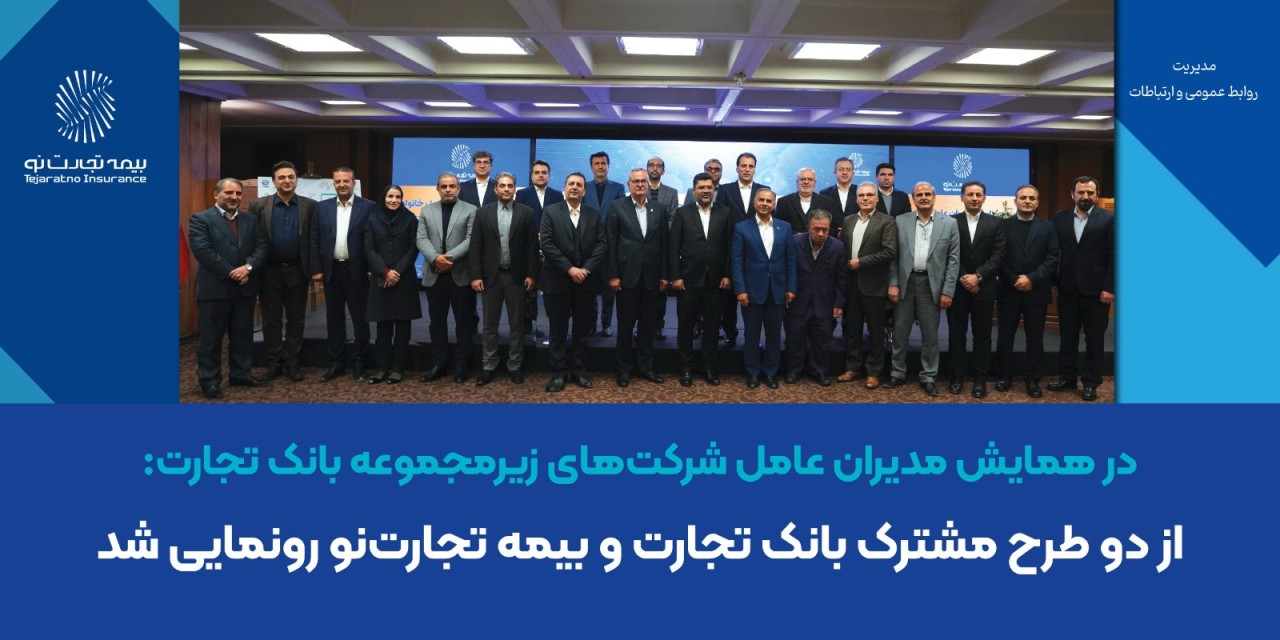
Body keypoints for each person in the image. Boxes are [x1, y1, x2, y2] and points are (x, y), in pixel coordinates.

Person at [188, 178, 269, 398]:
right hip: (214, 290)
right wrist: (233, 272)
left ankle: (241, 375)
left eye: (238, 194)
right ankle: (210, 381)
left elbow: (262, 247)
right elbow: (203, 251)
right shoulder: (200, 219)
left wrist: (248, 268)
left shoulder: (250, 220)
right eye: (229, 193)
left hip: (245, 288)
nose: (234, 197)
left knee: (243, 336)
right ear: (216, 194)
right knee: (211, 340)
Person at [886, 182, 960, 396]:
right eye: (919, 194)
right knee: (900, 333)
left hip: (931, 285)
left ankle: (928, 376)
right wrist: (893, 283)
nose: (924, 197)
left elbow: (953, 260)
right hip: (905, 283)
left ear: (934, 197)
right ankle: (897, 373)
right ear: (913, 199)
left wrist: (948, 290)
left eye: (928, 194)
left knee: (930, 336)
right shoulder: (900, 221)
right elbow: (893, 256)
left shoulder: (949, 223)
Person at [1047, 176, 1114, 401]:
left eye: (1090, 192)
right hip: (1067, 288)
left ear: (1097, 195)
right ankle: (1067, 377)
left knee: (1094, 339)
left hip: (1097, 291)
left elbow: (1115, 255)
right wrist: (1054, 282)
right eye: (1081, 192)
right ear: (1072, 194)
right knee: (1067, 337)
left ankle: (1091, 382)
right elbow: (1054, 252)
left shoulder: (1109, 218)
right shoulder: (1060, 217)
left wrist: (1109, 288)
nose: (1085, 196)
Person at [469, 172, 540, 385]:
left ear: (515, 189)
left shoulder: (526, 213)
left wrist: (532, 275)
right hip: (491, 278)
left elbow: (532, 247)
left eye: (510, 185)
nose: (506, 189)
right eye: (502, 185)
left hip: (517, 278)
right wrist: (475, 275)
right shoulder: (483, 213)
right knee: (489, 326)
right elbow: (476, 246)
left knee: (517, 325)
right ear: (495, 189)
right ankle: (489, 365)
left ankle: (514, 365)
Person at [248, 160, 316, 382]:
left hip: (298, 270)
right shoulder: (258, 205)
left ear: (296, 180)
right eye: (282, 177)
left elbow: (314, 240)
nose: (287, 181)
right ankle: (274, 363)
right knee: (271, 319)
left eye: (291, 177)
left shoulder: (310, 206)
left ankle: (292, 362)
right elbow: (251, 239)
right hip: (269, 271)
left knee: (296, 319)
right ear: (273, 181)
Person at [539, 172, 607, 392]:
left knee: (582, 330)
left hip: (585, 282)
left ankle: (579, 370)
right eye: (571, 184)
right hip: (557, 280)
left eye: (579, 184)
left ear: (584, 191)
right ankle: (558, 374)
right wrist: (570, 269)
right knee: (557, 330)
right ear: (564, 188)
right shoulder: (551, 212)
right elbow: (546, 244)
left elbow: (602, 244)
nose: (575, 187)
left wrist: (585, 269)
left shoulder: (594, 214)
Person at [309, 167, 376, 382]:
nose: (342, 184)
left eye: (346, 181)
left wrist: (371, 268)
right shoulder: (322, 208)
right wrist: (316, 269)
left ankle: (359, 363)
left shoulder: (369, 207)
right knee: (334, 319)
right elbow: (314, 239)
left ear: (354, 183)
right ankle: (335, 362)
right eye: (338, 181)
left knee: (360, 319)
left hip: (358, 271)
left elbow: (373, 239)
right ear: (333, 184)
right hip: (332, 271)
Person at [668, 172, 734, 386]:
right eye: (701, 187)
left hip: (716, 281)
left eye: (709, 187)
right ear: (694, 190)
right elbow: (673, 247)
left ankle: (709, 368)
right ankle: (686, 369)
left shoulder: (725, 213)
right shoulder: (682, 213)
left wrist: (727, 274)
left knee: (712, 329)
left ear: (714, 189)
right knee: (686, 327)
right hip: (688, 281)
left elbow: (730, 247)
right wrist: (676, 276)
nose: (706, 190)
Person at [607, 168, 669, 387]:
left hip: (652, 277)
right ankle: (624, 370)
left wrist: (664, 275)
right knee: (625, 326)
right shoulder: (617, 207)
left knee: (648, 326)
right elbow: (611, 242)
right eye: (636, 181)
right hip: (626, 277)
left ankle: (646, 367)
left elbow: (664, 243)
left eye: (643, 181)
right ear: (629, 184)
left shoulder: (659, 209)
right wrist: (613, 275)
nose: (640, 184)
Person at [995, 185, 1059, 398]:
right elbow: (998, 257)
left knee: (1035, 338)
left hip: (1036, 290)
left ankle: (1032, 379)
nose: (1027, 201)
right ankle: (1004, 375)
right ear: (1015, 201)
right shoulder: (1002, 226)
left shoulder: (1048, 227)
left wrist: (1031, 278)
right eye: (1023, 197)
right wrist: (1014, 279)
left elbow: (1052, 258)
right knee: (1005, 336)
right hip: (1009, 289)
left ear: (1037, 202)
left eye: (1032, 198)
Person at [417, 172, 478, 384]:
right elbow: (421, 238)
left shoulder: (471, 210)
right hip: (435, 274)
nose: (448, 190)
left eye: (452, 186)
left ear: (459, 189)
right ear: (438, 189)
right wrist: (436, 259)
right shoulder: (427, 210)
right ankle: (439, 364)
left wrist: (447, 259)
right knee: (437, 323)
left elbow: (471, 239)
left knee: (464, 323)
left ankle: (462, 366)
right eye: (444, 186)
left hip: (460, 274)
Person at [946, 180, 1006, 398]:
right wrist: (964, 277)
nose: (974, 198)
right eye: (970, 194)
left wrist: (978, 276)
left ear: (984, 198)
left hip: (985, 287)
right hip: (958, 287)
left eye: (978, 195)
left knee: (983, 335)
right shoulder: (951, 222)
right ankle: (957, 376)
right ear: (962, 197)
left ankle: (980, 378)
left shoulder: (996, 223)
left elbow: (998, 255)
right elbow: (948, 252)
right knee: (957, 334)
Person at [732, 187, 796, 389]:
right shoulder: (742, 228)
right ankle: (752, 372)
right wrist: (740, 289)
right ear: (754, 203)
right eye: (761, 200)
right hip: (751, 292)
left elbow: (790, 260)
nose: (765, 204)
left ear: (774, 204)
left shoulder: (785, 227)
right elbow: (737, 261)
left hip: (777, 291)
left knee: (774, 335)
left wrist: (791, 288)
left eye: (769, 201)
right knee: (751, 335)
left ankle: (770, 372)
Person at [836, 182, 898, 390]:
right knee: (851, 329)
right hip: (851, 284)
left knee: (875, 331)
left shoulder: (887, 221)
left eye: (870, 195)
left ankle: (873, 372)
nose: (865, 198)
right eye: (861, 195)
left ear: (877, 199)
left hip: (875, 284)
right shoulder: (848, 220)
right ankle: (853, 367)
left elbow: (890, 252)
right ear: (856, 199)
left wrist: (861, 262)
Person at [363, 185, 421, 384]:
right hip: (381, 279)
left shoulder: (410, 219)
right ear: (383, 198)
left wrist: (396, 272)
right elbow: (369, 249)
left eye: (397, 197)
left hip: (404, 280)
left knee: (403, 328)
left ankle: (398, 369)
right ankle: (381, 368)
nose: (394, 200)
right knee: (383, 327)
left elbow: (413, 249)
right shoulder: (372, 219)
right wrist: (385, 271)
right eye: (390, 196)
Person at [784, 209, 846, 386]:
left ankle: (819, 371)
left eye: (825, 229)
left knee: (822, 340)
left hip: (824, 302)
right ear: (808, 228)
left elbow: (842, 278)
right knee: (795, 338)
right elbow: (786, 270)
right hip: (798, 300)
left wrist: (839, 303)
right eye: (816, 229)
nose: (820, 233)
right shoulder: (794, 243)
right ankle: (794, 370)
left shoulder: (838, 247)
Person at [717, 152, 770, 349]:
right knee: (729, 300)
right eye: (743, 165)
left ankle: (753, 338)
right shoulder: (725, 190)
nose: (747, 169)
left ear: (755, 169)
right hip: (731, 249)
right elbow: (721, 220)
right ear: (737, 168)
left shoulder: (764, 191)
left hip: (757, 253)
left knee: (756, 301)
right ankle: (730, 334)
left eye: (750, 166)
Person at [515, 160, 563, 342]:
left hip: (552, 248)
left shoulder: (557, 195)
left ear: (549, 175)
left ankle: (555, 330)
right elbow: (519, 218)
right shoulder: (522, 194)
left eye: (544, 172)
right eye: (537, 172)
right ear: (531, 175)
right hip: (529, 248)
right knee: (528, 290)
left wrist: (547, 235)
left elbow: (561, 219)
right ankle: (526, 327)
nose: (540, 175)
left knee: (552, 291)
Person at [583, 151, 625, 337]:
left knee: (609, 290)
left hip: (610, 245)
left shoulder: (618, 188)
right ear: (591, 167)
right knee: (590, 289)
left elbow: (622, 214)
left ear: (608, 166)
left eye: (603, 163)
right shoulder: (584, 187)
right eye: (596, 163)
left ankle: (606, 323)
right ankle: (591, 323)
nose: (600, 166)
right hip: (589, 246)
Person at [647, 156, 679, 339]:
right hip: (642, 247)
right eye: (651, 165)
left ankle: (659, 326)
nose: (655, 168)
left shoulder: (672, 192)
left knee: (661, 290)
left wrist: (656, 232)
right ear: (647, 169)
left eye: (658, 166)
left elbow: (673, 217)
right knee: (642, 292)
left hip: (663, 247)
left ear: (663, 171)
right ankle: (641, 326)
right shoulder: (638, 188)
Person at [776, 167, 841, 238]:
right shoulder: (783, 202)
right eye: (802, 179)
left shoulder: (827, 203)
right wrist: (796, 236)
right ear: (797, 182)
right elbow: (779, 226)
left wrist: (814, 236)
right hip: (791, 242)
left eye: (810, 179)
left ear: (815, 183)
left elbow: (833, 227)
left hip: (819, 243)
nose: (806, 182)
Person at [820, 157, 859, 221]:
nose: (845, 172)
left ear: (853, 174)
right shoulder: (824, 194)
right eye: (841, 169)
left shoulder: (860, 192)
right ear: (835, 173)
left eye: (848, 170)